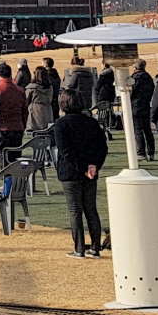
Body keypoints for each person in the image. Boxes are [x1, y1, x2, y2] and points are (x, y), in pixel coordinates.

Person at [50, 93, 109, 255]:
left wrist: (83, 167)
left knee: (75, 210)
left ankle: (79, 248)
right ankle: (95, 246)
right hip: (91, 171)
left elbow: (66, 151)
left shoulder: (61, 124)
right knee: (91, 209)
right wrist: (94, 166)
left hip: (71, 171)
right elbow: (102, 147)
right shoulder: (92, 122)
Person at [0, 64, 27, 152]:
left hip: (2, 129)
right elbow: (24, 111)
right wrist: (23, 125)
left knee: (3, 157)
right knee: (16, 157)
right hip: (18, 127)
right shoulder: (20, 90)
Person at [126, 61, 154, 159]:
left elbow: (131, 92)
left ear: (135, 67)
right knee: (147, 129)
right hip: (146, 105)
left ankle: (141, 152)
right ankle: (151, 152)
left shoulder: (134, 79)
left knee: (138, 130)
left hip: (136, 106)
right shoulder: (149, 78)